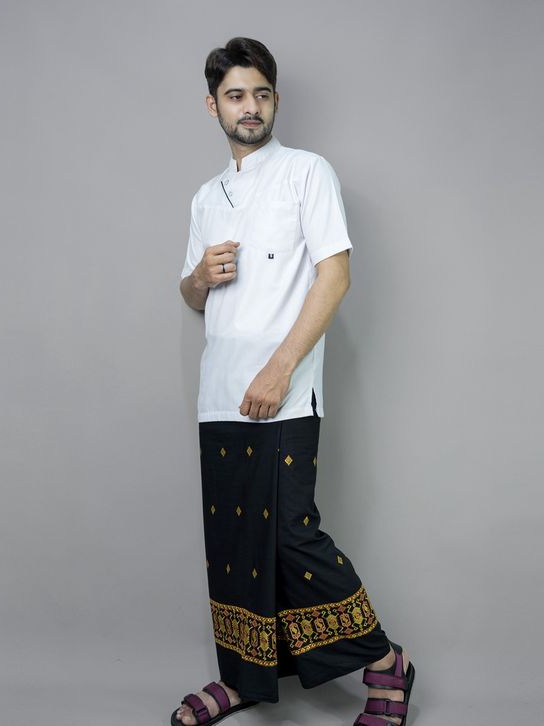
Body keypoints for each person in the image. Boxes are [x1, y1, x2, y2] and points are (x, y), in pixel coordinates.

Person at [172, 37, 416, 726]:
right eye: (235, 95)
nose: (249, 107)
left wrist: (279, 371)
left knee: (290, 538)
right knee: (234, 546)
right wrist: (201, 276)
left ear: (275, 100)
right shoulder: (205, 198)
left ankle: (384, 662)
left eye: (261, 94)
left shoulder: (306, 172)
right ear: (213, 106)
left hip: (281, 395)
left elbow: (334, 276)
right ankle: (245, 677)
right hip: (218, 396)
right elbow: (191, 295)